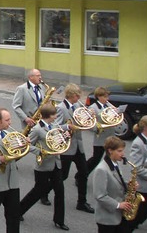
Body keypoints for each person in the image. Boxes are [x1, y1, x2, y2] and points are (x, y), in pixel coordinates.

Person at [19, 104, 69, 231]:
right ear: (49, 116)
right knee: (38, 191)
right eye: (54, 115)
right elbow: (28, 145)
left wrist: (65, 137)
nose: (56, 116)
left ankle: (59, 220)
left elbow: (58, 139)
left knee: (60, 192)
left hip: (56, 164)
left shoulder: (55, 125)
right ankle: (19, 210)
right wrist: (41, 152)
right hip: (43, 165)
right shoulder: (37, 129)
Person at [12, 68, 50, 205]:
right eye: (38, 75)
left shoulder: (42, 88)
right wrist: (26, 119)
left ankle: (43, 192)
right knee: (24, 146)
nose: (41, 77)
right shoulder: (22, 89)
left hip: (41, 122)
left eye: (40, 75)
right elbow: (16, 106)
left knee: (39, 148)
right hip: (30, 122)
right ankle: (11, 159)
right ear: (31, 77)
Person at [56, 83, 94, 213]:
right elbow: (56, 127)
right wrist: (68, 127)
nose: (79, 98)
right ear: (71, 95)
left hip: (78, 146)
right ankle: (44, 192)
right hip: (67, 147)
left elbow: (83, 122)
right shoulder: (61, 108)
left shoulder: (78, 106)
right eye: (77, 95)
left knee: (84, 173)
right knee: (63, 175)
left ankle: (82, 202)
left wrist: (89, 116)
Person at [93, 136, 133, 233]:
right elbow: (100, 196)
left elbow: (117, 182)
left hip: (117, 215)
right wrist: (118, 205)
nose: (122, 154)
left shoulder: (115, 163)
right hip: (107, 218)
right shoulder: (101, 170)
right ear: (110, 151)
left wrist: (129, 185)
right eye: (119, 151)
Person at [87, 87, 116, 174]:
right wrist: (97, 128)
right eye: (105, 97)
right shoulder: (93, 108)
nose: (107, 99)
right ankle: (83, 173)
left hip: (110, 135)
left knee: (110, 158)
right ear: (99, 97)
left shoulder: (109, 105)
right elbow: (90, 123)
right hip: (100, 137)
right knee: (96, 159)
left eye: (107, 97)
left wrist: (117, 112)